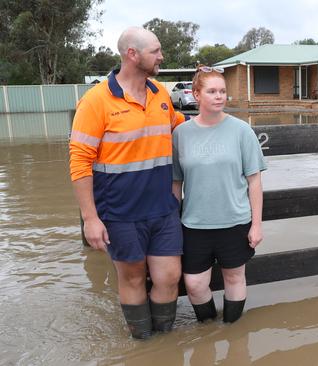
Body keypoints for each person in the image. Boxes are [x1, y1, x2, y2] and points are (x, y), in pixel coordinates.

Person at [69, 26, 187, 339]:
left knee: (169, 276)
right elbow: (80, 162)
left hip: (163, 209)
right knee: (133, 279)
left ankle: (163, 344)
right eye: (156, 51)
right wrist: (91, 219)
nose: (162, 56)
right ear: (132, 55)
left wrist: (220, 126)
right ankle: (142, 341)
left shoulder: (160, 93)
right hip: (120, 214)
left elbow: (181, 126)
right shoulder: (95, 102)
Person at [172, 65, 266, 324]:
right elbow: (176, 182)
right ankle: (209, 327)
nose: (219, 96)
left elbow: (254, 181)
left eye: (223, 91)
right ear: (196, 94)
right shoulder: (181, 134)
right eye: (212, 91)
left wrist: (256, 225)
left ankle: (232, 331)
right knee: (194, 283)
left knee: (234, 278)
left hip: (234, 221)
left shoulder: (242, 131)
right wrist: (171, 222)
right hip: (194, 224)